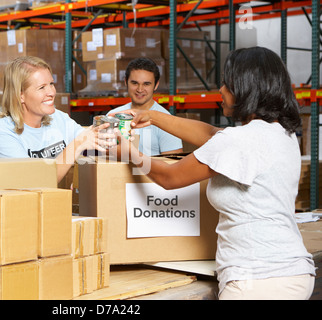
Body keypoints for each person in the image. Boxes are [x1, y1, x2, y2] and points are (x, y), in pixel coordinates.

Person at [112, 47, 316, 300]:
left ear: (245, 87)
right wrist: (152, 116)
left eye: (226, 83)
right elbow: (210, 135)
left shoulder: (240, 141)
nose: (220, 90)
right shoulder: (278, 133)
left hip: (258, 278)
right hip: (289, 271)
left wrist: (130, 153)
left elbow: (170, 178)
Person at [0, 56, 113, 183]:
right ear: (20, 95)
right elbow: (34, 183)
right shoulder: (2, 134)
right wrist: (77, 144)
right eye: (42, 87)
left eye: (51, 84)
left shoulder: (58, 118)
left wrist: (116, 128)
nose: (51, 92)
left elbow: (95, 147)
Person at [107, 57, 183, 156]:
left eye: (146, 84)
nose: (140, 89)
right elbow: (102, 157)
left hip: (150, 171)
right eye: (134, 83)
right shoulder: (113, 116)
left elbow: (173, 165)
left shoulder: (166, 121)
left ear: (156, 85)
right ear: (126, 82)